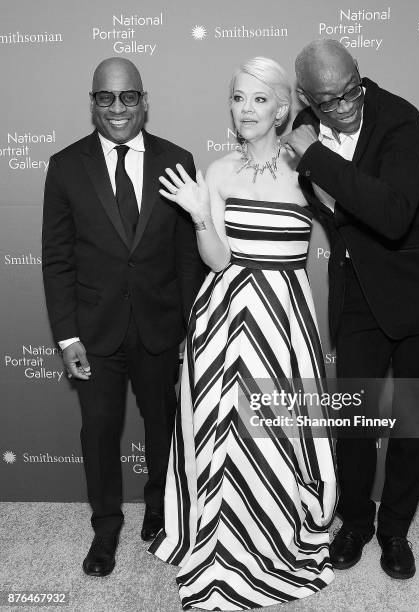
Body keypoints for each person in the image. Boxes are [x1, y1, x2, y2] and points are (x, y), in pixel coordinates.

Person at [148, 57, 337, 610]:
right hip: (223, 316)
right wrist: (201, 214)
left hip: (282, 317)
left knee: (274, 432)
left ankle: (273, 536)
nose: (246, 109)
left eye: (259, 99)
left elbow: (364, 224)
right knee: (219, 431)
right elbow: (218, 257)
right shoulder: (219, 170)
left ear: (282, 109)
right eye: (237, 98)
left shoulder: (311, 171)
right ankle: (218, 537)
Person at [282, 39, 419, 580]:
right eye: (328, 100)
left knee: (412, 420)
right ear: (305, 97)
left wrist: (314, 155)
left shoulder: (400, 117)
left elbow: (391, 213)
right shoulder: (301, 127)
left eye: (351, 91)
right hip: (358, 290)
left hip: (417, 289)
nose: (345, 106)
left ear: (361, 75)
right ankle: (355, 522)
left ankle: (396, 532)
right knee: (354, 422)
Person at [42, 57, 204, 577]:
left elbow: (187, 258)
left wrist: (190, 329)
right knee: (99, 432)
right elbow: (58, 258)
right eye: (106, 98)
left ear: (144, 100)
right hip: (94, 330)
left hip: (161, 327)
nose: (117, 108)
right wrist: (67, 337)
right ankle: (105, 528)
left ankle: (159, 515)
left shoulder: (177, 160)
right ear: (93, 103)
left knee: (164, 430)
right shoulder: (66, 166)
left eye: (128, 97)